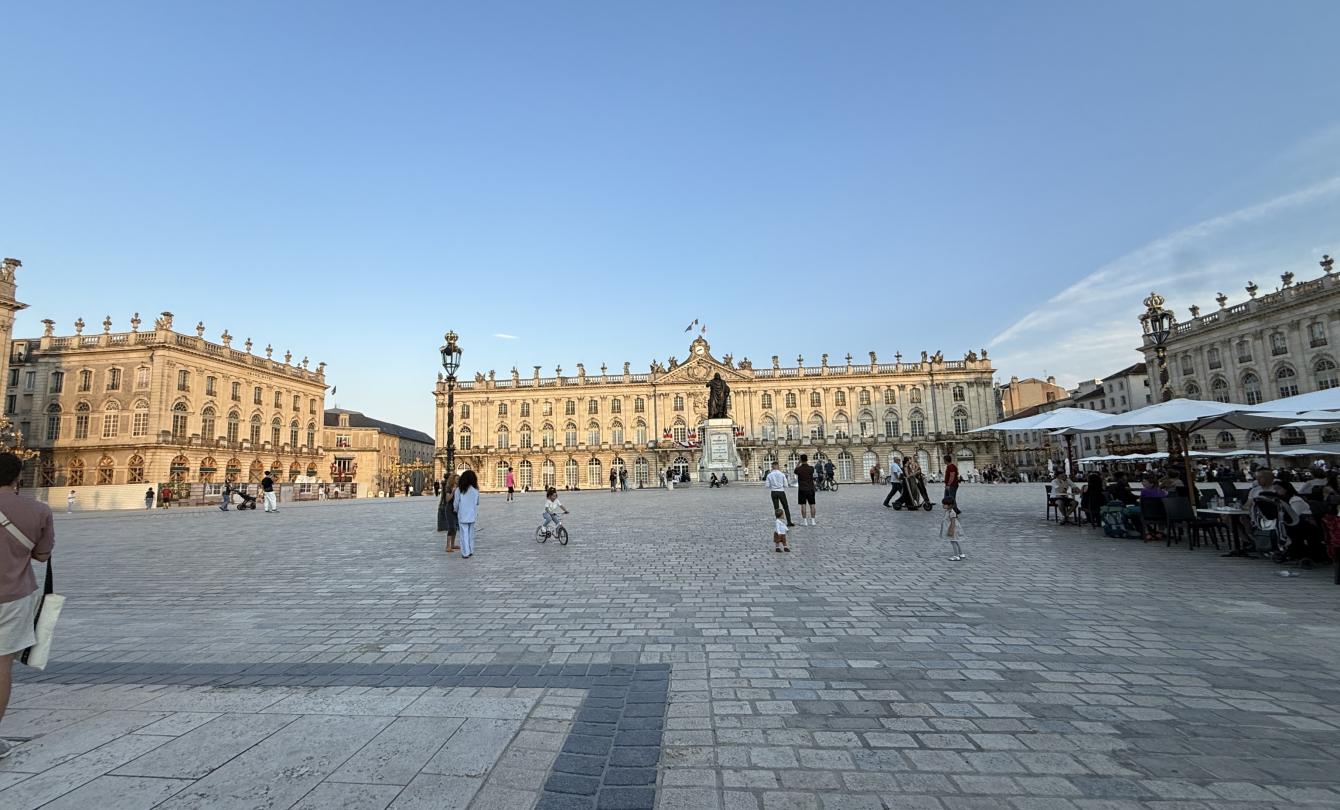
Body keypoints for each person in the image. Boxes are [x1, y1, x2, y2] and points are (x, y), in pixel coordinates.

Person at [0, 452, 55, 760]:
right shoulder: (38, 510)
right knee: (1, 666)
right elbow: (43, 556)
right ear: (18, 477)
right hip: (13, 597)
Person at [455, 469, 480, 558]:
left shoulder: (459, 490)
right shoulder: (475, 490)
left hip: (462, 514)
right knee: (471, 534)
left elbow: (456, 503)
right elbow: (477, 502)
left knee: (464, 534)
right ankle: (471, 550)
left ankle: (465, 552)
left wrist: (455, 510)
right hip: (472, 514)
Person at [765, 461, 794, 527]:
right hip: (781, 491)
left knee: (776, 508)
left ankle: (778, 523)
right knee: (786, 507)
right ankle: (789, 522)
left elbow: (767, 485)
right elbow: (786, 485)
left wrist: (773, 485)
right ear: (778, 466)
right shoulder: (782, 474)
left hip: (774, 492)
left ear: (772, 466)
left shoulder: (769, 475)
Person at [437, 473, 459, 552]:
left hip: (456, 509)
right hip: (449, 509)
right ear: (453, 480)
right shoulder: (449, 488)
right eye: (457, 479)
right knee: (451, 527)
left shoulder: (459, 487)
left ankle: (453, 544)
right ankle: (447, 546)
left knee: (455, 527)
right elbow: (447, 499)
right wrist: (453, 492)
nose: (458, 480)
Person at [794, 454, 817, 526]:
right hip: (810, 488)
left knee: (803, 505)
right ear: (807, 459)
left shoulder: (799, 469)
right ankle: (813, 521)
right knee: (812, 505)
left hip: (802, 489)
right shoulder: (811, 468)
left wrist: (799, 462)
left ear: (801, 460)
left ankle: (805, 522)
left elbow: (795, 470)